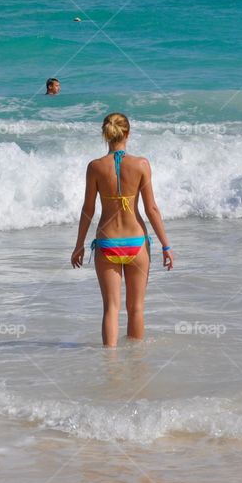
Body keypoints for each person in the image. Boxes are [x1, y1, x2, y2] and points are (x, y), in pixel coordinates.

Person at [71, 113, 174, 347]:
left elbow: (87, 209)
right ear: (127, 133)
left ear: (105, 134)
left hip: (107, 244)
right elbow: (152, 209)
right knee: (136, 308)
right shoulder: (141, 165)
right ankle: (137, 365)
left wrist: (78, 245)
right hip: (136, 243)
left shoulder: (95, 167)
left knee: (111, 308)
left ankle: (110, 366)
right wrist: (166, 246)